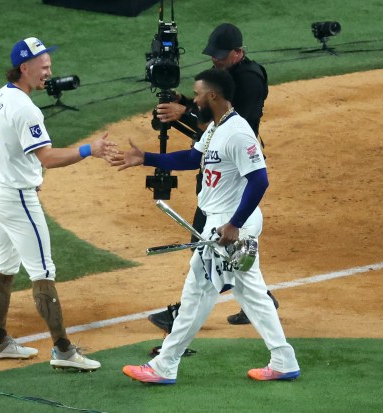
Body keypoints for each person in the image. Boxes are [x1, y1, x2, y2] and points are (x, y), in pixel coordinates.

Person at [115, 68, 300, 383]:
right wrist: (145, 157)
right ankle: (283, 360)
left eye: (198, 93)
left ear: (213, 95)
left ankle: (164, 366)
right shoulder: (216, 128)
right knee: (251, 293)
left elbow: (260, 180)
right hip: (223, 222)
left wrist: (234, 225)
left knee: (197, 292)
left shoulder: (238, 132)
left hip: (229, 225)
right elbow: (192, 158)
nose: (194, 98)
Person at [0, 37, 116, 370]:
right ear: (24, 68)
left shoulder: (0, 96)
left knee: (5, 266)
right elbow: (49, 158)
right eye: (43, 67)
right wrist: (89, 149)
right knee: (42, 271)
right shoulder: (26, 108)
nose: (48, 72)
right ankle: (64, 350)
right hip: (16, 199)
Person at [148, 23, 278, 330]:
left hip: (235, 170)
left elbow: (230, 127)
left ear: (238, 52)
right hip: (216, 163)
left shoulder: (248, 80)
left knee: (207, 240)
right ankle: (262, 299)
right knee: (213, 240)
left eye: (221, 56)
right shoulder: (222, 79)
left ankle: (185, 313)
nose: (215, 60)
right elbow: (203, 140)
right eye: (213, 55)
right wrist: (183, 102)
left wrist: (186, 114)